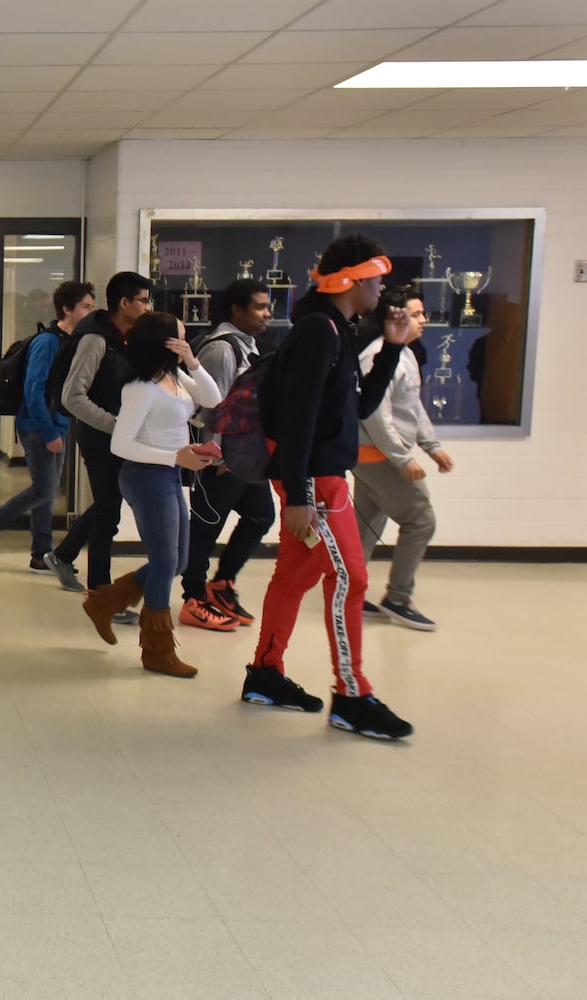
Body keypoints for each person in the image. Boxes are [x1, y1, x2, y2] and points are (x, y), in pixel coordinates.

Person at [240, 234, 417, 740]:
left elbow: (356, 410)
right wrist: (297, 495)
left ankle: (265, 675)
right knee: (351, 580)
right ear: (354, 280)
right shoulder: (319, 332)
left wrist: (391, 348)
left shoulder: (336, 330)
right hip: (315, 482)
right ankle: (352, 695)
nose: (382, 289)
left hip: (320, 478)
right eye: (376, 279)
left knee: (293, 578)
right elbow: (298, 419)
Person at [99, 312, 221, 676]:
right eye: (180, 337)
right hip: (146, 476)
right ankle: (156, 650)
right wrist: (175, 456)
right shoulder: (138, 389)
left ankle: (105, 602)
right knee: (167, 562)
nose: (186, 341)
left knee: (178, 562)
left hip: (168, 474)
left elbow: (212, 399)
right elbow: (120, 445)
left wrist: (192, 361)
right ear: (162, 341)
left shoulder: (174, 375)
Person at [0, 280, 96, 573]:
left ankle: (41, 553)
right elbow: (33, 389)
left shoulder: (74, 341)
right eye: (85, 307)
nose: (90, 312)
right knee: (44, 488)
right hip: (38, 425)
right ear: (67, 309)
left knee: (48, 491)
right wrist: (50, 431)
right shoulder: (48, 342)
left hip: (59, 423)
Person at [178, 279, 278, 631]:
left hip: (245, 456)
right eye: (260, 307)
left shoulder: (249, 345)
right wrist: (217, 455)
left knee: (261, 516)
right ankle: (193, 599)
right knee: (205, 529)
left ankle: (221, 584)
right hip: (220, 458)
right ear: (237, 310)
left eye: (268, 306)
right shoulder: (221, 350)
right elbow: (210, 407)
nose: (267, 313)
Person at [61, 271, 156, 643]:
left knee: (107, 509)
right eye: (144, 301)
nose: (148, 307)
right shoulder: (96, 341)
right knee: (107, 512)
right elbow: (73, 397)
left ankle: (68, 559)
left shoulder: (128, 339)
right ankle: (101, 593)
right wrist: (115, 425)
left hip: (121, 438)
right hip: (102, 439)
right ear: (124, 303)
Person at [355, 286, 454, 631]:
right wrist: (400, 458)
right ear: (392, 318)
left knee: (365, 527)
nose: (423, 320)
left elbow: (413, 407)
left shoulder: (405, 354)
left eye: (422, 313)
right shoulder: (378, 355)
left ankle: (349, 593)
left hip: (377, 456)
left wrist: (431, 446)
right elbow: (373, 415)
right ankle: (398, 598)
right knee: (421, 520)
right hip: (376, 455)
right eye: (415, 314)